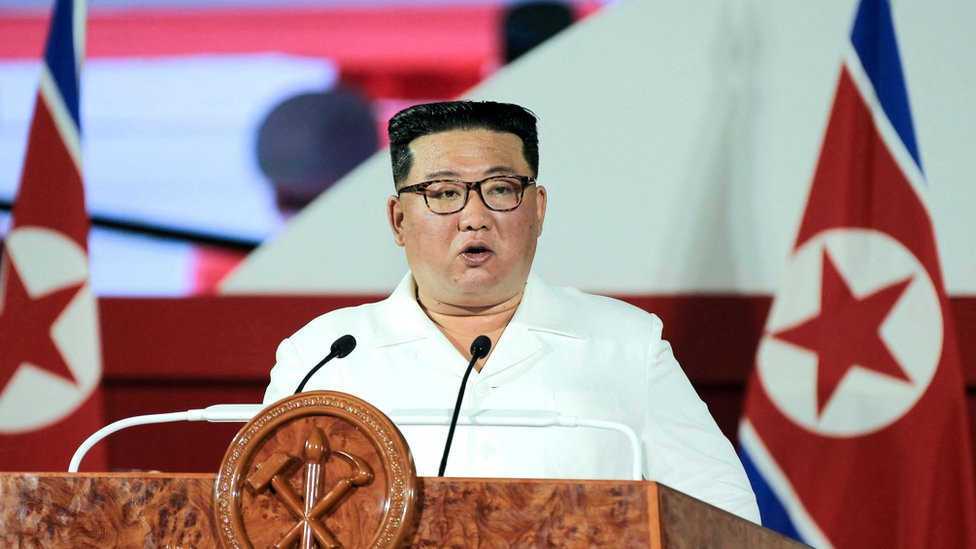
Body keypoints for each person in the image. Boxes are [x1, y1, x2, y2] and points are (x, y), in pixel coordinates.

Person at [263, 100, 760, 523]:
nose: (474, 217)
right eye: (443, 193)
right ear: (398, 219)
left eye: (500, 190)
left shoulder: (625, 342)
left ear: (537, 209)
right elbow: (264, 515)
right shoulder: (325, 356)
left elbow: (723, 513)